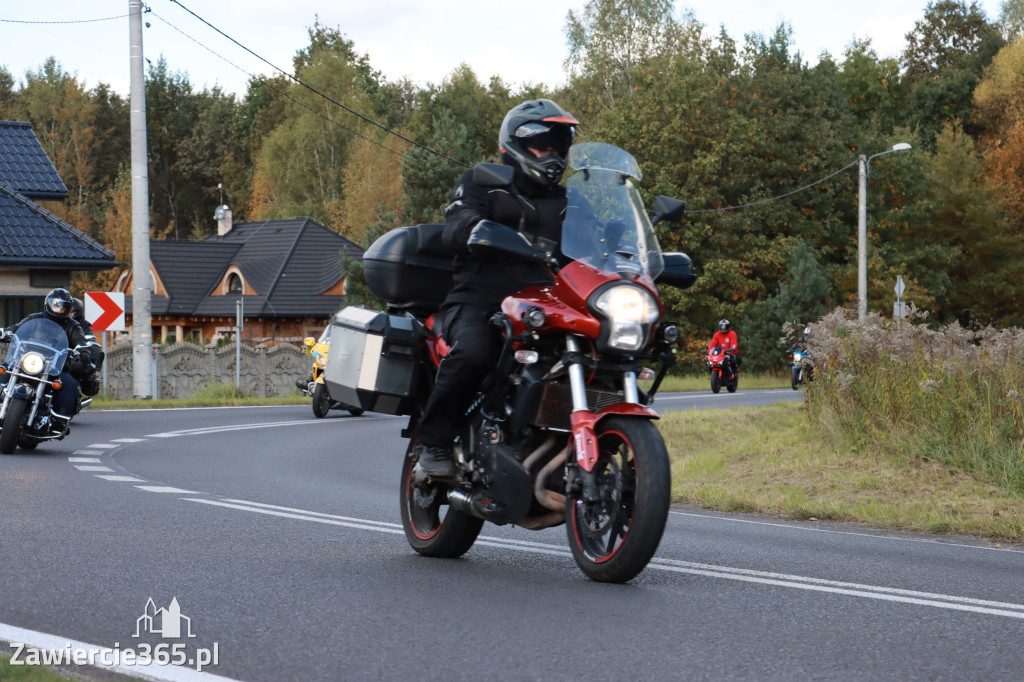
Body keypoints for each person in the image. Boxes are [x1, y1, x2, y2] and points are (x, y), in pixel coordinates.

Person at [414, 98, 580, 479]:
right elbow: (458, 222)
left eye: (559, 146)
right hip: (479, 300)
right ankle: (434, 443)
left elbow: (597, 239)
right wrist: (476, 228)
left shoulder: (570, 201)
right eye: (542, 144)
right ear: (515, 145)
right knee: (476, 350)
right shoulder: (481, 182)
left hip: (545, 306)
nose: (551, 154)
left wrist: (627, 247)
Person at [1, 288, 91, 432]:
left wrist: (83, 350)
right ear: (48, 304)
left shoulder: (73, 326)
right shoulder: (35, 318)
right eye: (56, 305)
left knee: (69, 384)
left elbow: (80, 340)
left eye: (64, 307)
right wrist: (6, 332)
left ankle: (60, 420)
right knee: (5, 369)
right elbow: (17, 328)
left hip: (55, 367)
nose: (60, 310)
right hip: (28, 361)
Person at [70, 297, 104, 397]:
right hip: (57, 353)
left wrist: (84, 347)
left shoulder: (84, 325)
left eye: (73, 312)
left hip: (74, 354)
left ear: (78, 312)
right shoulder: (60, 322)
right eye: (68, 311)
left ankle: (75, 392)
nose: (70, 314)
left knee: (80, 368)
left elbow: (88, 339)